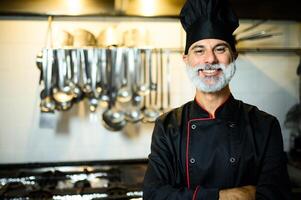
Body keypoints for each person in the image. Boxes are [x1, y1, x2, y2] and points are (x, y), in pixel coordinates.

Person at [142, 0, 291, 199]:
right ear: (186, 59)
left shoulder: (265, 125)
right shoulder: (167, 126)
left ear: (234, 56)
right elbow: (153, 195)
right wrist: (222, 196)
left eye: (220, 49)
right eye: (199, 50)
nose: (210, 59)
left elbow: (277, 195)